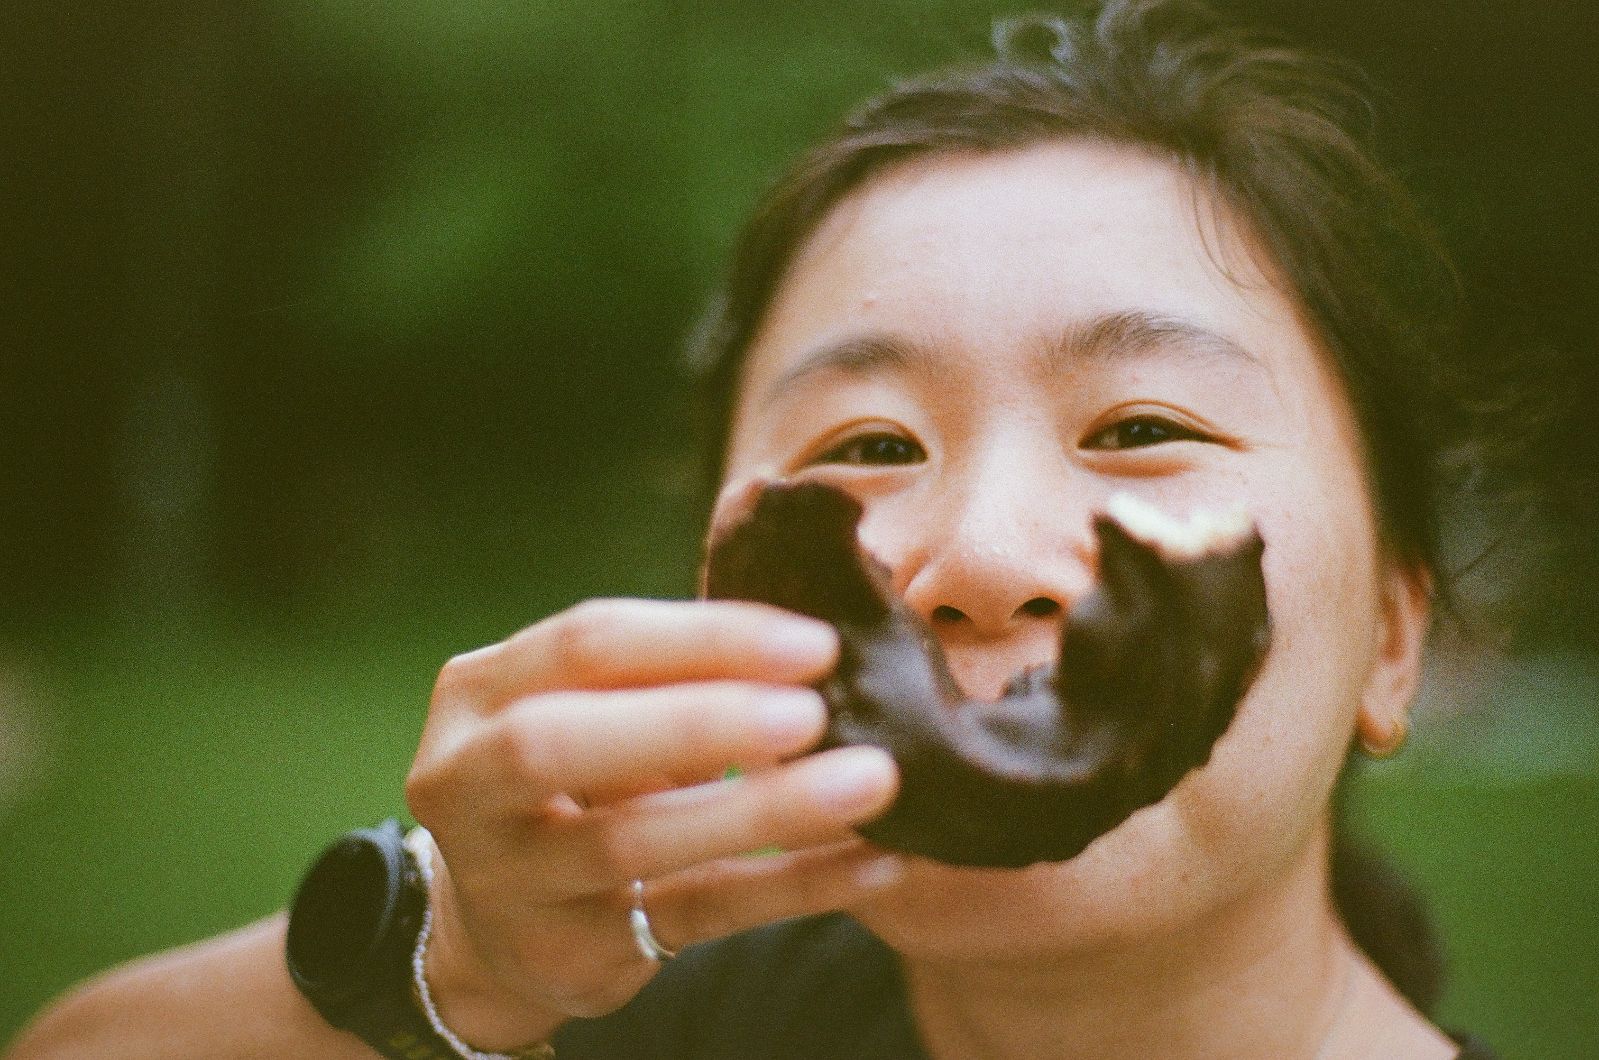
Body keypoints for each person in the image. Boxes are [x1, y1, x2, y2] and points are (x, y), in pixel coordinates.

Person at [10, 2, 1501, 1057]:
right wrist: (458, 966)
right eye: (865, 446)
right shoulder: (637, 1017)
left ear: (1390, 638)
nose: (975, 559)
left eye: (1140, 428)